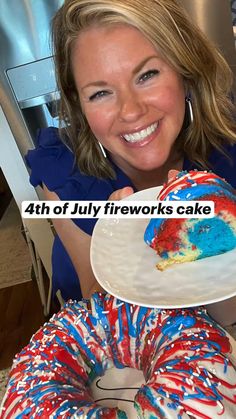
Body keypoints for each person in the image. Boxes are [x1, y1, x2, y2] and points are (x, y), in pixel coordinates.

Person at [26, 0, 236, 325]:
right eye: (100, 93)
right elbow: (107, 322)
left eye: (147, 75)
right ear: (79, 106)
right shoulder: (63, 172)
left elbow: (228, 315)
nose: (130, 111)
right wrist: (124, 254)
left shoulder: (229, 145)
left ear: (186, 72)